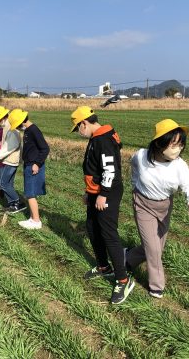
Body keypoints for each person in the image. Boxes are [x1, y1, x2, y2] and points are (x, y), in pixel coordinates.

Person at [125, 119, 189, 299]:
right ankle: (156, 286)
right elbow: (134, 169)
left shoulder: (179, 166)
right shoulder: (141, 156)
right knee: (153, 249)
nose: (178, 149)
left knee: (156, 246)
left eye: (180, 145)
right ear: (160, 143)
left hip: (165, 206)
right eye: (173, 144)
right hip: (142, 204)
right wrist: (135, 185)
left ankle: (127, 258)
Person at [70, 106, 134, 305]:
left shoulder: (103, 139)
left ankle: (123, 279)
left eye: (78, 128)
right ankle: (103, 266)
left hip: (107, 192)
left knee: (108, 234)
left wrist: (103, 195)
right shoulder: (97, 136)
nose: (78, 132)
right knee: (92, 228)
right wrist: (89, 192)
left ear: (84, 123)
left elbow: (110, 169)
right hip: (95, 192)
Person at [9, 109, 49, 229]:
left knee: (30, 194)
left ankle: (36, 221)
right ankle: (32, 218)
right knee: (30, 193)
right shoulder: (28, 130)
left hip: (33, 166)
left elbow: (45, 149)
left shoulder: (33, 130)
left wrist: (37, 163)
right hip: (29, 164)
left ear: (21, 121)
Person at [0, 106, 26, 214]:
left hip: (11, 160)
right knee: (9, 183)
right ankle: (12, 204)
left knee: (4, 183)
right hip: (11, 159)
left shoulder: (10, 127)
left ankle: (17, 202)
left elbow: (10, 145)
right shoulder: (7, 125)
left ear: (2, 117)